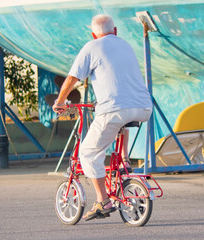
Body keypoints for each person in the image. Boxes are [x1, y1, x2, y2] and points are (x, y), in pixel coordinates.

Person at [52, 14, 153, 221]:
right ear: (115, 31)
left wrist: (60, 102)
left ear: (93, 34)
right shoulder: (126, 46)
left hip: (116, 109)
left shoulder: (92, 46)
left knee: (88, 152)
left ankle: (102, 200)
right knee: (119, 122)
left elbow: (72, 78)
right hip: (143, 107)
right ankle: (124, 160)